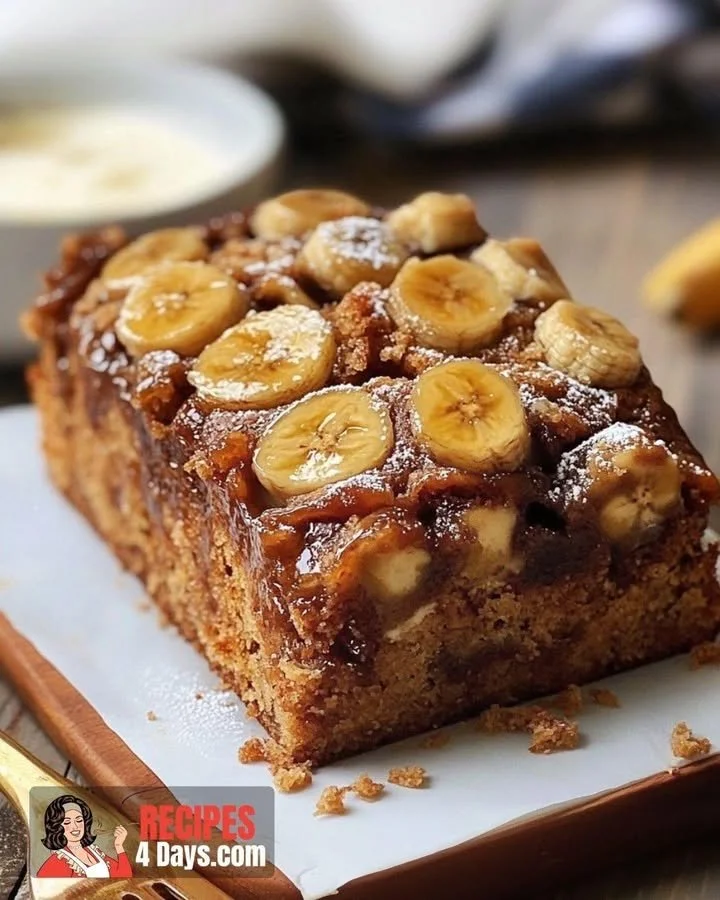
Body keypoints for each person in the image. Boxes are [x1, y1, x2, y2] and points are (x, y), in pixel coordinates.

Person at [36, 794, 132, 879]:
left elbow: (124, 877)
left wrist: (118, 845)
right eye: (67, 822)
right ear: (56, 827)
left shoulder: (94, 851)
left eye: (79, 820)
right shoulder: (57, 862)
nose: (75, 826)